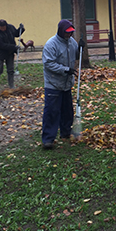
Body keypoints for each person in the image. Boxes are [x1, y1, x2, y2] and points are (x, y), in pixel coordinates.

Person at [41, 19, 85, 150]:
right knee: (52, 111)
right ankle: (48, 139)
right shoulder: (51, 44)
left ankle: (65, 132)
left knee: (67, 111)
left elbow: (76, 56)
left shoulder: (72, 43)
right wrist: (65, 70)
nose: (69, 35)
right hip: (53, 83)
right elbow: (48, 64)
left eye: (71, 33)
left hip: (66, 84)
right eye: (67, 33)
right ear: (61, 31)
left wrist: (81, 48)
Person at [0, 19, 25, 91]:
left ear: (6, 26)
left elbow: (16, 34)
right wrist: (13, 47)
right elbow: (1, 45)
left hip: (10, 53)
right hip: (0, 53)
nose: (3, 29)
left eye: (4, 27)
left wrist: (21, 29)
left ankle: (11, 85)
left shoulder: (10, 27)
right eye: (1, 28)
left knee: (10, 70)